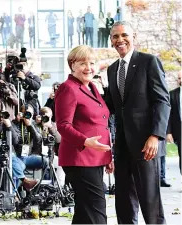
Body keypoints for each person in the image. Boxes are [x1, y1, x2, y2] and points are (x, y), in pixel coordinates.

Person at [104, 21, 170, 224]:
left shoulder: (149, 62)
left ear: (134, 36)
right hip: (122, 146)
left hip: (146, 144)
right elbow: (114, 107)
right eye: (115, 36)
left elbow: (162, 100)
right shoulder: (112, 69)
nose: (119, 40)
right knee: (123, 200)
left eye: (124, 35)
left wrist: (156, 135)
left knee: (150, 200)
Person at [55, 45, 113, 224]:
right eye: (82, 63)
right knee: (96, 211)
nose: (89, 67)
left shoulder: (91, 87)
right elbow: (63, 125)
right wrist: (86, 141)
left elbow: (101, 123)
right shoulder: (68, 88)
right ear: (72, 65)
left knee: (84, 212)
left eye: (92, 63)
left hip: (94, 157)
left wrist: (108, 156)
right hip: (79, 159)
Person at [167, 70, 181, 173]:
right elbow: (168, 115)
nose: (180, 80)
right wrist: (168, 132)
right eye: (179, 78)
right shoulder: (172, 94)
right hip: (179, 130)